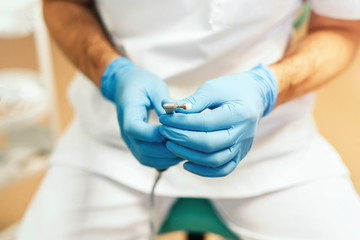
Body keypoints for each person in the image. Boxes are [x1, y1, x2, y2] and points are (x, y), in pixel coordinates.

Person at [17, 0, 360, 239]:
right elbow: (63, 4)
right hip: (110, 141)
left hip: (272, 143)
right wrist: (113, 74)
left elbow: (342, 28)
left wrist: (267, 88)